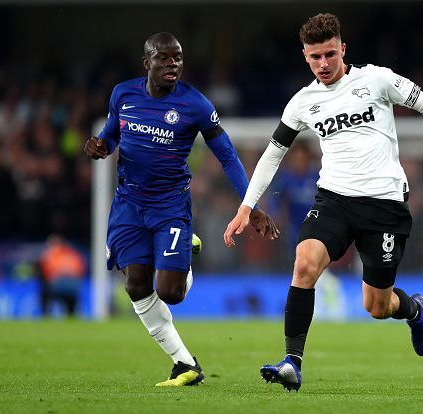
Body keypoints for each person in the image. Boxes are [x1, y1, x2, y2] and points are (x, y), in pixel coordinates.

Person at [224, 13, 423, 392]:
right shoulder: (303, 102)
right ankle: (293, 362)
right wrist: (246, 205)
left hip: (384, 204)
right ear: (305, 56)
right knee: (304, 263)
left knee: (377, 306)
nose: (323, 64)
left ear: (343, 50)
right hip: (334, 200)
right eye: (315, 57)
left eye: (330, 55)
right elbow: (273, 153)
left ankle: (414, 309)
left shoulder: (377, 79)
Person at [84, 32, 278, 387]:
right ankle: (184, 364)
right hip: (128, 205)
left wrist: (251, 205)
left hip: (169, 206)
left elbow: (227, 156)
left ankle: (185, 248)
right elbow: (112, 135)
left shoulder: (196, 105)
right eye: (164, 58)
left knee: (171, 292)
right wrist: (100, 145)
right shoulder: (123, 94)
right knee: (136, 285)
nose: (172, 64)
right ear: (147, 62)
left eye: (178, 58)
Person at [38, 233, 86, 317]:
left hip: (57, 285)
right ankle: (71, 315)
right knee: (70, 302)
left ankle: (46, 314)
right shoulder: (73, 254)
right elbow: (80, 269)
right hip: (73, 286)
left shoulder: (51, 255)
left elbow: (46, 271)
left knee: (45, 291)